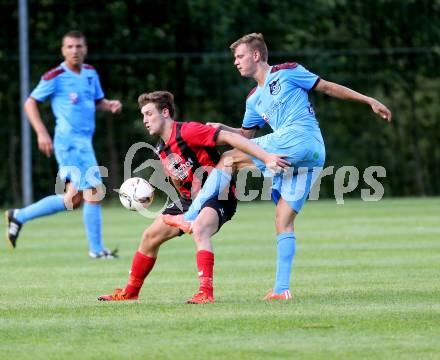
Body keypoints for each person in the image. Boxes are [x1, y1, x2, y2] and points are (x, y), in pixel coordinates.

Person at [163, 33, 392, 300]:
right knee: (283, 221)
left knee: (229, 159)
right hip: (309, 157)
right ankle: (282, 289)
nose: (236, 62)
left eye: (240, 56)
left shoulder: (288, 72)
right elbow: (245, 136)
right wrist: (221, 127)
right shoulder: (252, 100)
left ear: (256, 55)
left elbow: (327, 87)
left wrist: (369, 100)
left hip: (301, 138)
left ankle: (190, 215)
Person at [98, 90, 288, 303]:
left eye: (149, 114)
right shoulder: (161, 149)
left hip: (219, 195)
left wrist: (265, 156)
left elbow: (231, 138)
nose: (145, 120)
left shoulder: (189, 131)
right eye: (143, 115)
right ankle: (130, 292)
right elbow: (181, 181)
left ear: (165, 112)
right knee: (149, 237)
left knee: (200, 228)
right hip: (189, 200)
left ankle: (205, 292)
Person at [5, 30, 122, 259]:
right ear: (63, 50)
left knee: (74, 200)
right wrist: (41, 133)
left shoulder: (90, 73)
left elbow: (96, 101)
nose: (75, 51)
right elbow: (30, 103)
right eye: (70, 47)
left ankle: (19, 215)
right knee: (95, 191)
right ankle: (97, 251)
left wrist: (109, 105)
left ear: (85, 48)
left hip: (83, 142)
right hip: (69, 141)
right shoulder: (55, 76)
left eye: (79, 46)